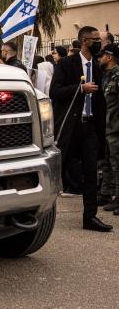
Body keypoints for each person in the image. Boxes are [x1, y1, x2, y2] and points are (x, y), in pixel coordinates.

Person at [50, 26, 112, 232]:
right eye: (96, 40)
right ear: (85, 40)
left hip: (90, 127)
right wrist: (80, 89)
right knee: (58, 170)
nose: (99, 45)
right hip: (70, 127)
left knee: (90, 174)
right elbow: (55, 91)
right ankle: (42, 213)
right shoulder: (66, 64)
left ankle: (90, 217)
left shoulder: (98, 66)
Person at [99, 44, 119, 213]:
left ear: (110, 57)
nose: (100, 58)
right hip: (105, 126)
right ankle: (106, 193)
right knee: (106, 161)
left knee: (117, 162)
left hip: (115, 127)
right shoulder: (105, 75)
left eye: (102, 56)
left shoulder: (117, 75)